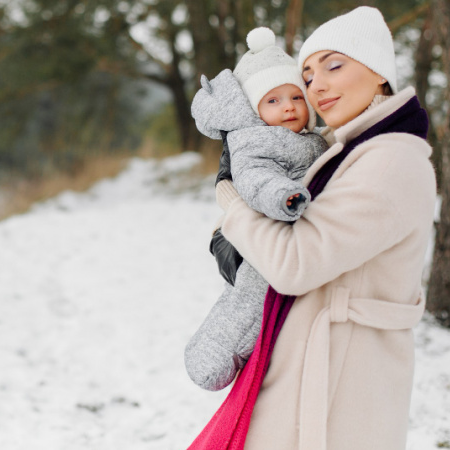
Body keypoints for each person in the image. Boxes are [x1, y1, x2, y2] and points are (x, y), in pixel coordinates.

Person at [188, 6, 436, 450]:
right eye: (307, 73)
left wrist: (235, 207)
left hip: (342, 380)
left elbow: (294, 263)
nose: (315, 84)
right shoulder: (347, 148)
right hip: (313, 363)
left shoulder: (390, 160)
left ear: (379, 72)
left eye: (333, 65)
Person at [185, 27, 327, 392]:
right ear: (255, 109)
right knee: (250, 298)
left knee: (264, 303)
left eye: (296, 97)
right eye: (273, 101)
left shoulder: (312, 139)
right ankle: (216, 351)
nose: (289, 107)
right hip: (263, 227)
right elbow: (256, 179)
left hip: (282, 234)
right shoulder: (253, 141)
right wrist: (284, 197)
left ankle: (249, 354)